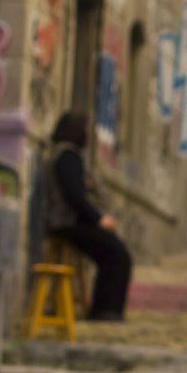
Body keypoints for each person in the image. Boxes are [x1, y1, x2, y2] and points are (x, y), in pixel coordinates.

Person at [44, 110, 133, 321]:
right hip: (68, 223)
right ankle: (106, 311)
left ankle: (105, 309)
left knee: (112, 251)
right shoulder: (67, 157)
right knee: (118, 254)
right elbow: (74, 194)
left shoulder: (65, 155)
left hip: (68, 221)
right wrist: (98, 219)